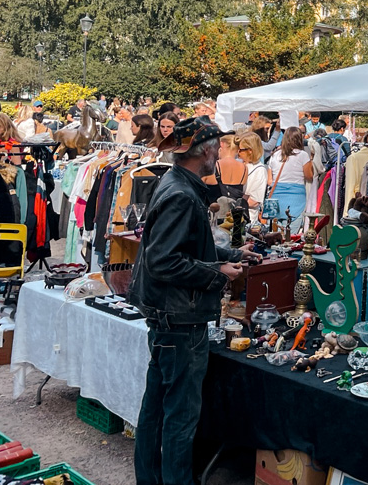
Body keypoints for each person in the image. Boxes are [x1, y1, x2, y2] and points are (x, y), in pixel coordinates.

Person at [128, 117, 259, 485]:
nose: (220, 151)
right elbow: (164, 260)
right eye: (216, 145)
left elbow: (184, 248)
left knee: (157, 411)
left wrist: (229, 252)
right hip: (179, 323)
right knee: (179, 419)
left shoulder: (177, 186)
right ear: (203, 149)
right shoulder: (182, 195)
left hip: (170, 319)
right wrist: (219, 273)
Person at [267, 128, 313, 231]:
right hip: (296, 199)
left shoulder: (275, 155)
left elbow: (270, 181)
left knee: (275, 236)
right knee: (290, 237)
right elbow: (309, 176)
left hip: (276, 200)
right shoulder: (303, 155)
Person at [235, 132, 269, 220]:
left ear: (250, 150)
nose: (237, 152)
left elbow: (254, 201)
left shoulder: (259, 170)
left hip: (247, 217)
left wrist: (233, 201)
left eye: (240, 149)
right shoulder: (237, 164)